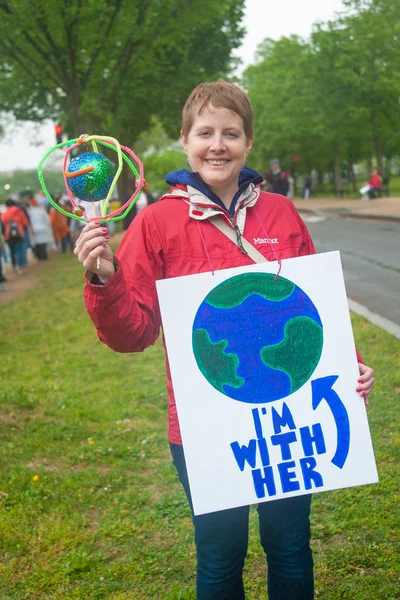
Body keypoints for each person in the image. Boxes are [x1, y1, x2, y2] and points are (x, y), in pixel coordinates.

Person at [74, 81, 375, 600]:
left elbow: (312, 309)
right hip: (204, 427)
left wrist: (350, 364)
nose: (218, 144)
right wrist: (104, 279)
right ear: (185, 142)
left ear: (248, 143)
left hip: (290, 417)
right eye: (205, 133)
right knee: (219, 556)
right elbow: (133, 333)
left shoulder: (281, 213)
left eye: (231, 133)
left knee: (290, 547)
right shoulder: (156, 223)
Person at [0, 198, 29, 275]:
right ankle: (19, 266)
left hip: (8, 235)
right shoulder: (19, 211)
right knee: (19, 250)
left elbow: (2, 225)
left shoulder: (4, 213)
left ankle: (13, 266)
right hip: (19, 233)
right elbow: (25, 223)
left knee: (12, 251)